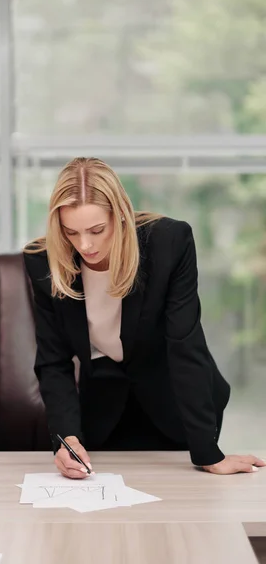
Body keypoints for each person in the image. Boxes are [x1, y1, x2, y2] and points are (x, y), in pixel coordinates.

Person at [23, 157, 265, 478]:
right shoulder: (44, 261)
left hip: (175, 403)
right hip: (104, 412)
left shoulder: (168, 243)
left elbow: (184, 344)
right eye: (71, 232)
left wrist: (208, 451)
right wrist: (67, 440)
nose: (85, 245)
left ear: (120, 215)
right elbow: (54, 362)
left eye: (97, 230)